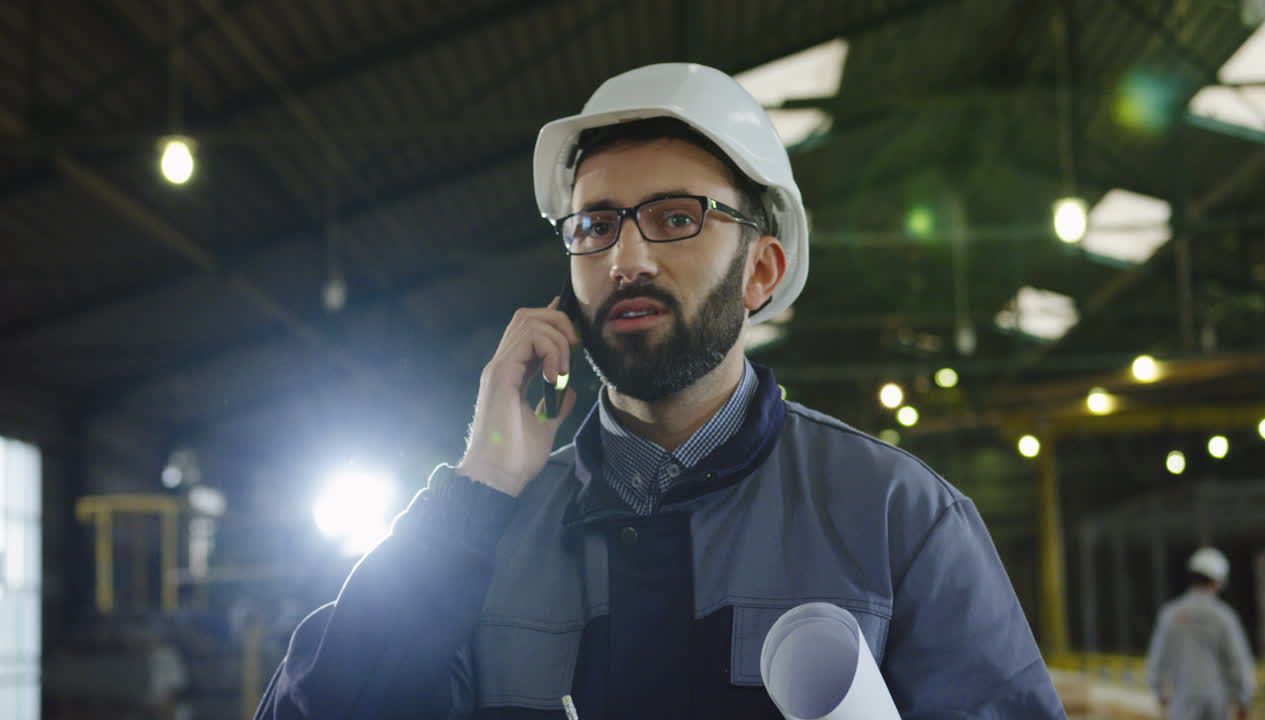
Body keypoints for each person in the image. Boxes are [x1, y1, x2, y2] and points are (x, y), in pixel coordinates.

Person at [254, 63, 1065, 719]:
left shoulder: (896, 520)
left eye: (675, 217)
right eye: (595, 226)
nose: (625, 259)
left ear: (761, 271)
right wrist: (484, 481)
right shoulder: (490, 535)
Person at [1147, 547, 1255, 720]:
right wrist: (1244, 699)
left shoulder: (1170, 615)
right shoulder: (1224, 616)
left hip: (1182, 701)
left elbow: (1157, 658)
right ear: (1218, 581)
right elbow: (1238, 661)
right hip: (1217, 702)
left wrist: (1159, 691)